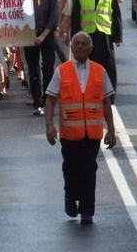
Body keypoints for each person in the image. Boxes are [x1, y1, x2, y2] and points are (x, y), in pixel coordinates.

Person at [44, 31, 116, 225]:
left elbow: (106, 102)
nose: (80, 47)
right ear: (72, 47)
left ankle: (87, 210)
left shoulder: (99, 70)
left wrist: (111, 130)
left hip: (92, 134)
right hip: (69, 133)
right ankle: (70, 197)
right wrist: (49, 126)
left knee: (89, 169)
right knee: (71, 168)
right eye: (76, 43)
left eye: (84, 44)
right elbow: (50, 100)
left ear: (90, 49)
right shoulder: (62, 71)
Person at [66, 0, 122, 102]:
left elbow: (116, 15)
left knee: (108, 65)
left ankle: (109, 96)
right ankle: (88, 94)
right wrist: (74, 38)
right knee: (87, 65)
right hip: (87, 34)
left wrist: (118, 36)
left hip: (104, 34)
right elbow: (75, 16)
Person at [23, 0, 58, 116]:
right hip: (30, 36)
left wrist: (43, 35)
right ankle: (37, 102)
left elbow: (53, 18)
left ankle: (48, 100)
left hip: (46, 35)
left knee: (48, 68)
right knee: (33, 70)